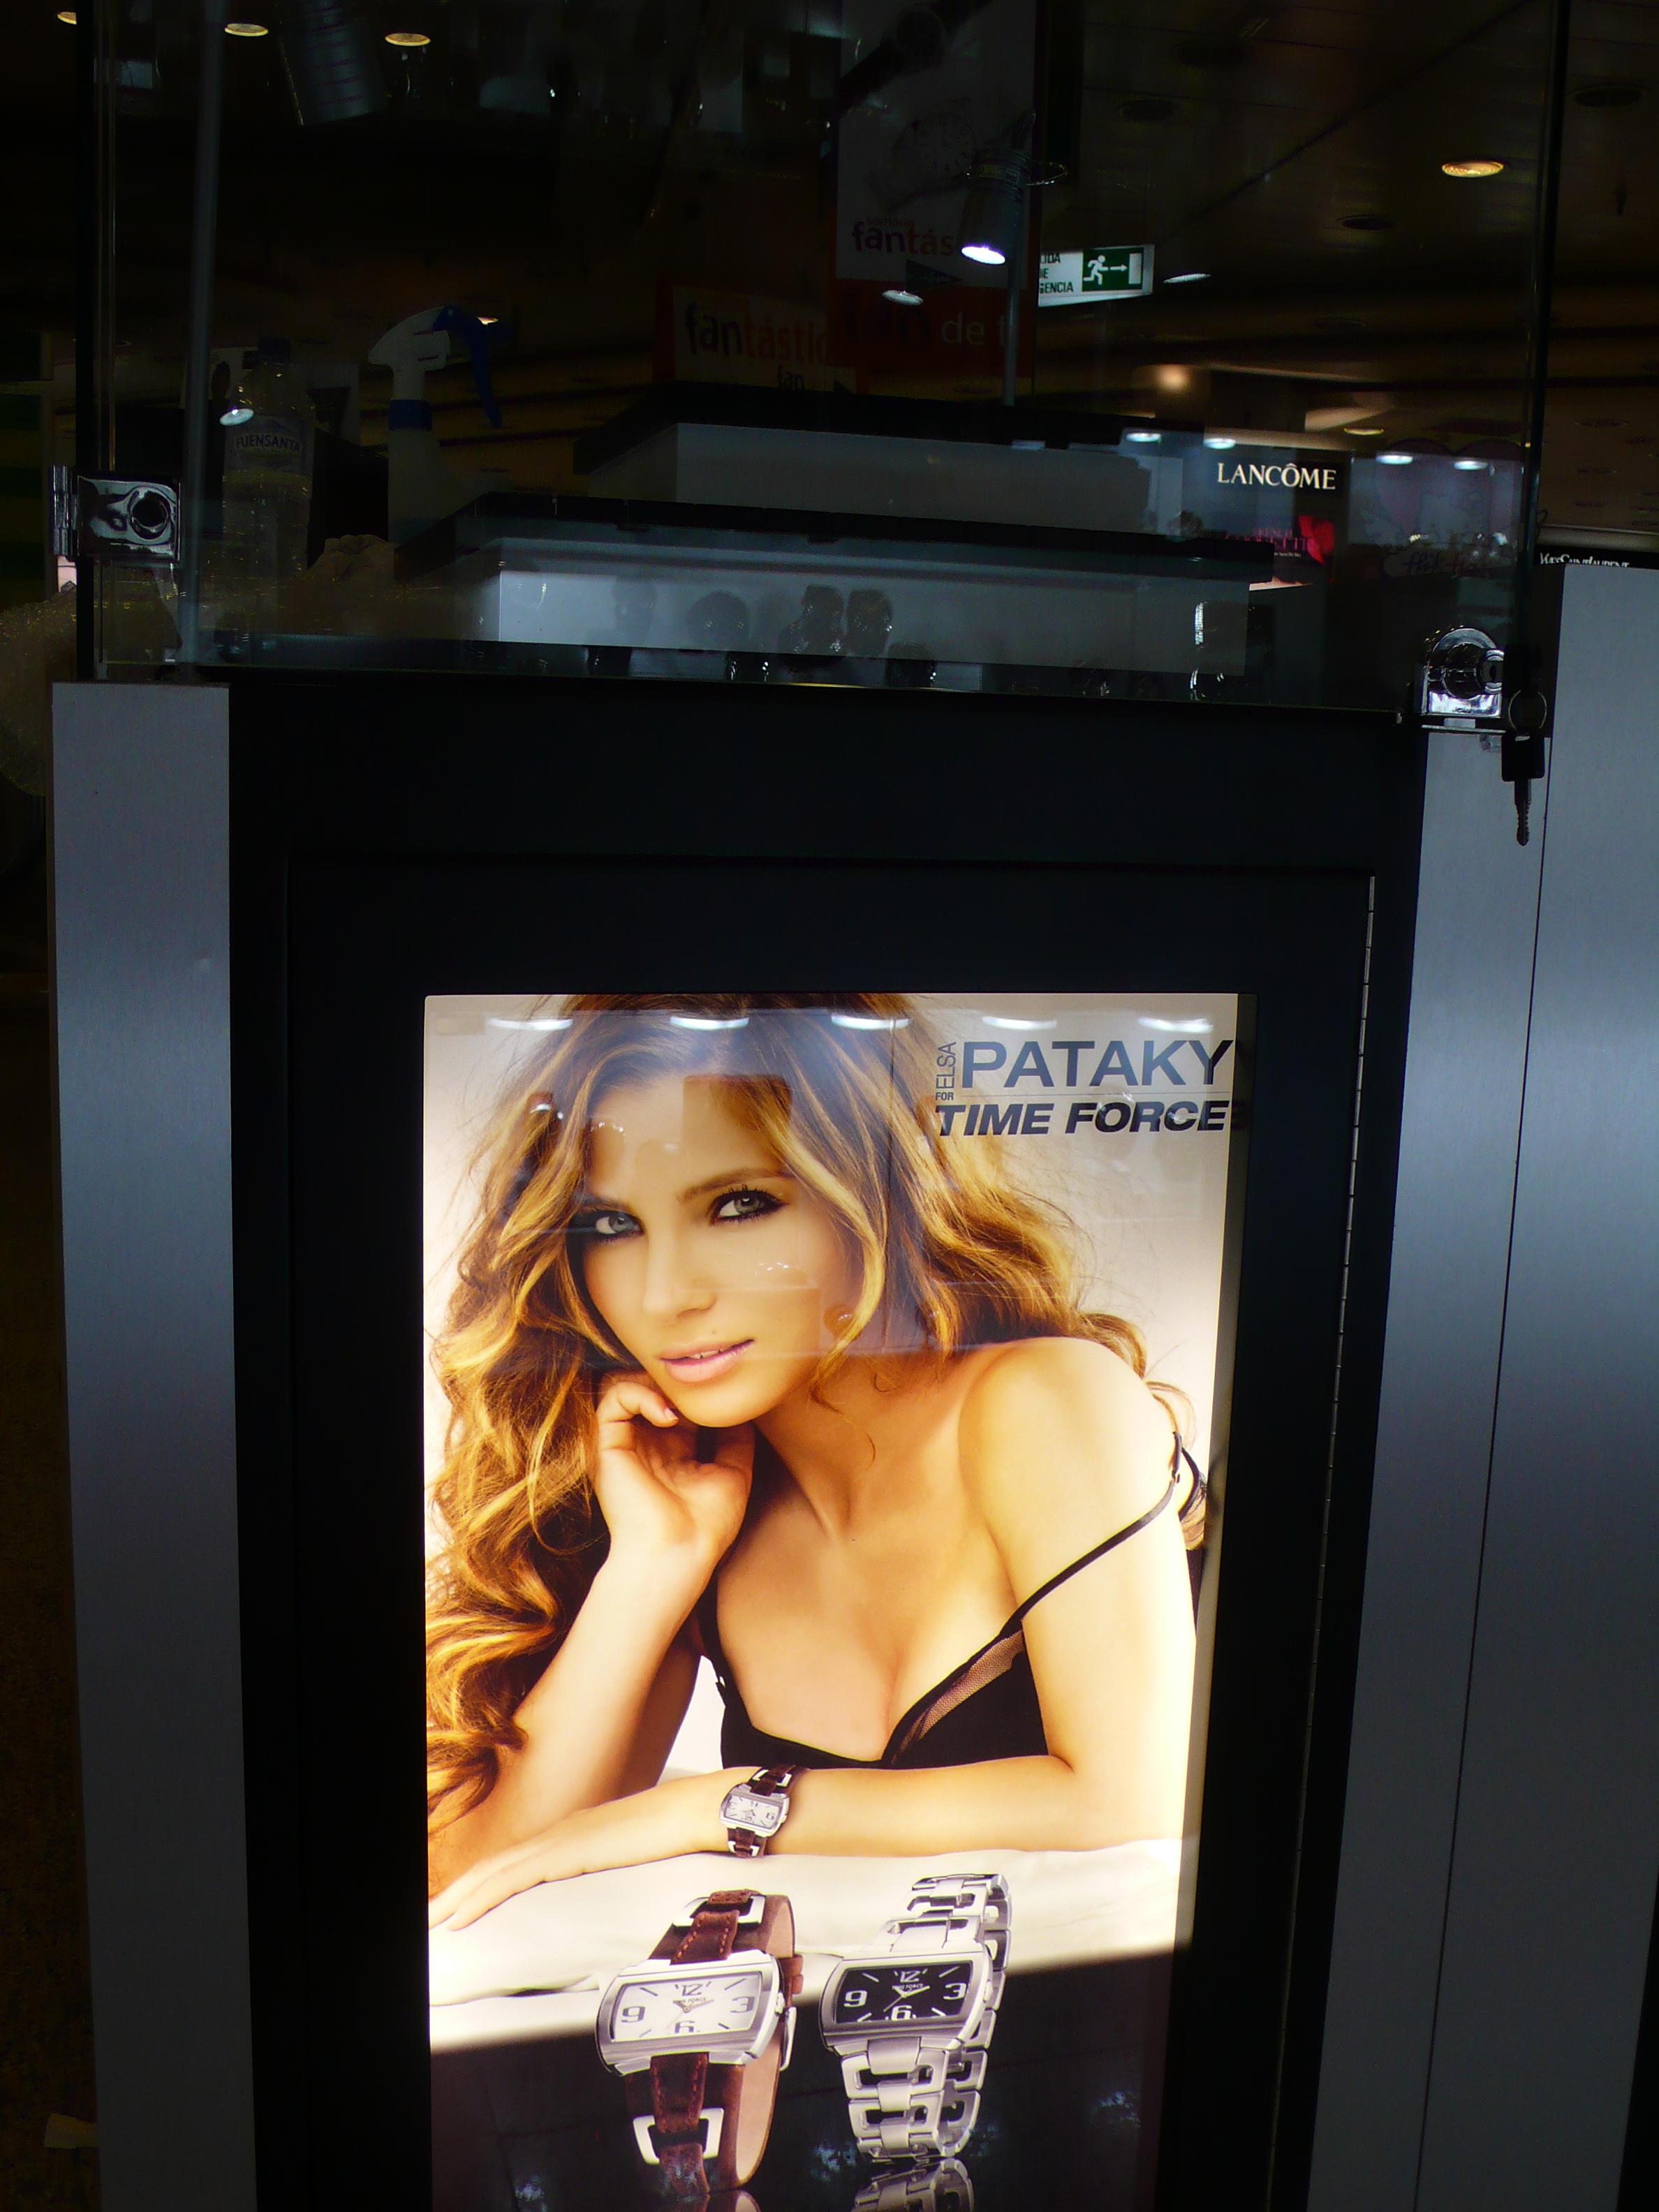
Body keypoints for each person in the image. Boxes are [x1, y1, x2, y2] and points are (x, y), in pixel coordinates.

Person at [427, 993, 1200, 1927]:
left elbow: (1132, 1802)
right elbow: (468, 1881)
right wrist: (656, 1564)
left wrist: (716, 1809)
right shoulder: (690, 1494)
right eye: (612, 1228)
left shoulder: (1045, 1400)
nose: (667, 1295)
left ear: (878, 1199)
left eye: (738, 1206)